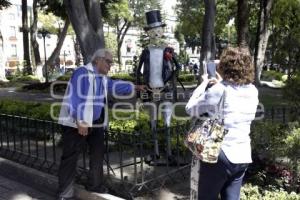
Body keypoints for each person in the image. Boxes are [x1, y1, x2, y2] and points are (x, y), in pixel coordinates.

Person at [57, 49, 146, 200]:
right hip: (76, 124)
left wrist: (136, 87)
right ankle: (65, 194)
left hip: (96, 124)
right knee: (70, 158)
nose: (111, 65)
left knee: (97, 156)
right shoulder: (82, 73)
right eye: (109, 61)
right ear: (98, 60)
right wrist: (80, 120)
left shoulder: (102, 78)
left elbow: (115, 85)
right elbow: (75, 98)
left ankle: (95, 186)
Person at [186, 47, 259, 200]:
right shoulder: (253, 90)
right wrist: (220, 83)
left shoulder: (219, 89)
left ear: (224, 66)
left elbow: (190, 108)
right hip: (243, 154)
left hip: (219, 152)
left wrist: (204, 83)